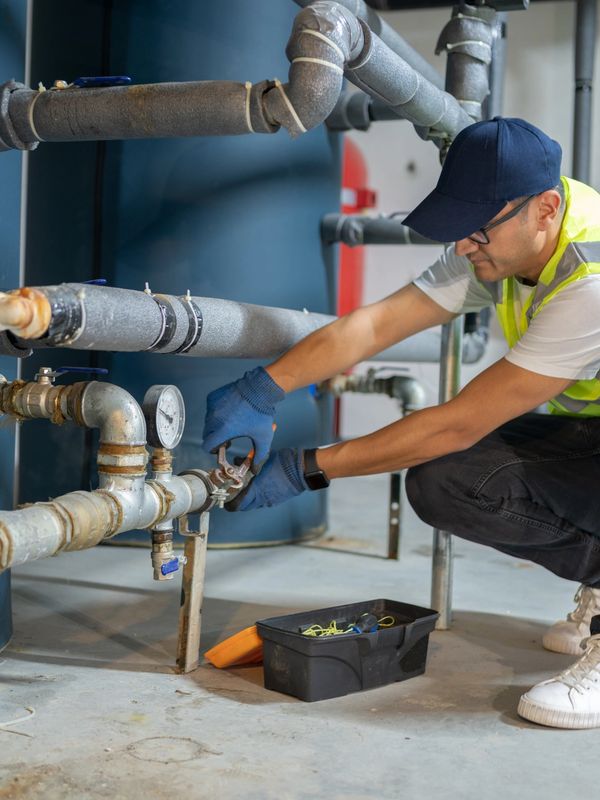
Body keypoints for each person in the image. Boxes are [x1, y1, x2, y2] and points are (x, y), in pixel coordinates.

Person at [202, 117, 600, 729]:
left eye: (476, 231)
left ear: (545, 209)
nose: (465, 245)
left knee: (449, 454)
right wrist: (264, 387)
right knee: (447, 478)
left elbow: (456, 425)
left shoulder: (591, 278)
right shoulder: (503, 238)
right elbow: (374, 325)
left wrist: (307, 468)